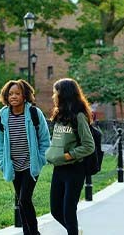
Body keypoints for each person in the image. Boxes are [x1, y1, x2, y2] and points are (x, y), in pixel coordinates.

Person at [0, 79, 51, 235]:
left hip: (30, 165)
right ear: (6, 96)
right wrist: (2, 162)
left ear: (25, 95)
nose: (13, 96)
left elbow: (45, 139)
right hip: (13, 166)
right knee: (22, 202)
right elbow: (0, 142)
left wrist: (40, 159)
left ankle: (34, 233)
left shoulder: (34, 113)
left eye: (17, 93)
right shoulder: (3, 115)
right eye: (10, 94)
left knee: (24, 199)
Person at [46, 78, 95, 235]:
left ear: (64, 94)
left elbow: (89, 146)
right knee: (55, 210)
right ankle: (75, 231)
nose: (54, 95)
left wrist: (69, 156)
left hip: (74, 169)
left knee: (68, 210)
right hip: (59, 169)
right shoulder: (59, 115)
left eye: (56, 92)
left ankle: (73, 232)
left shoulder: (79, 116)